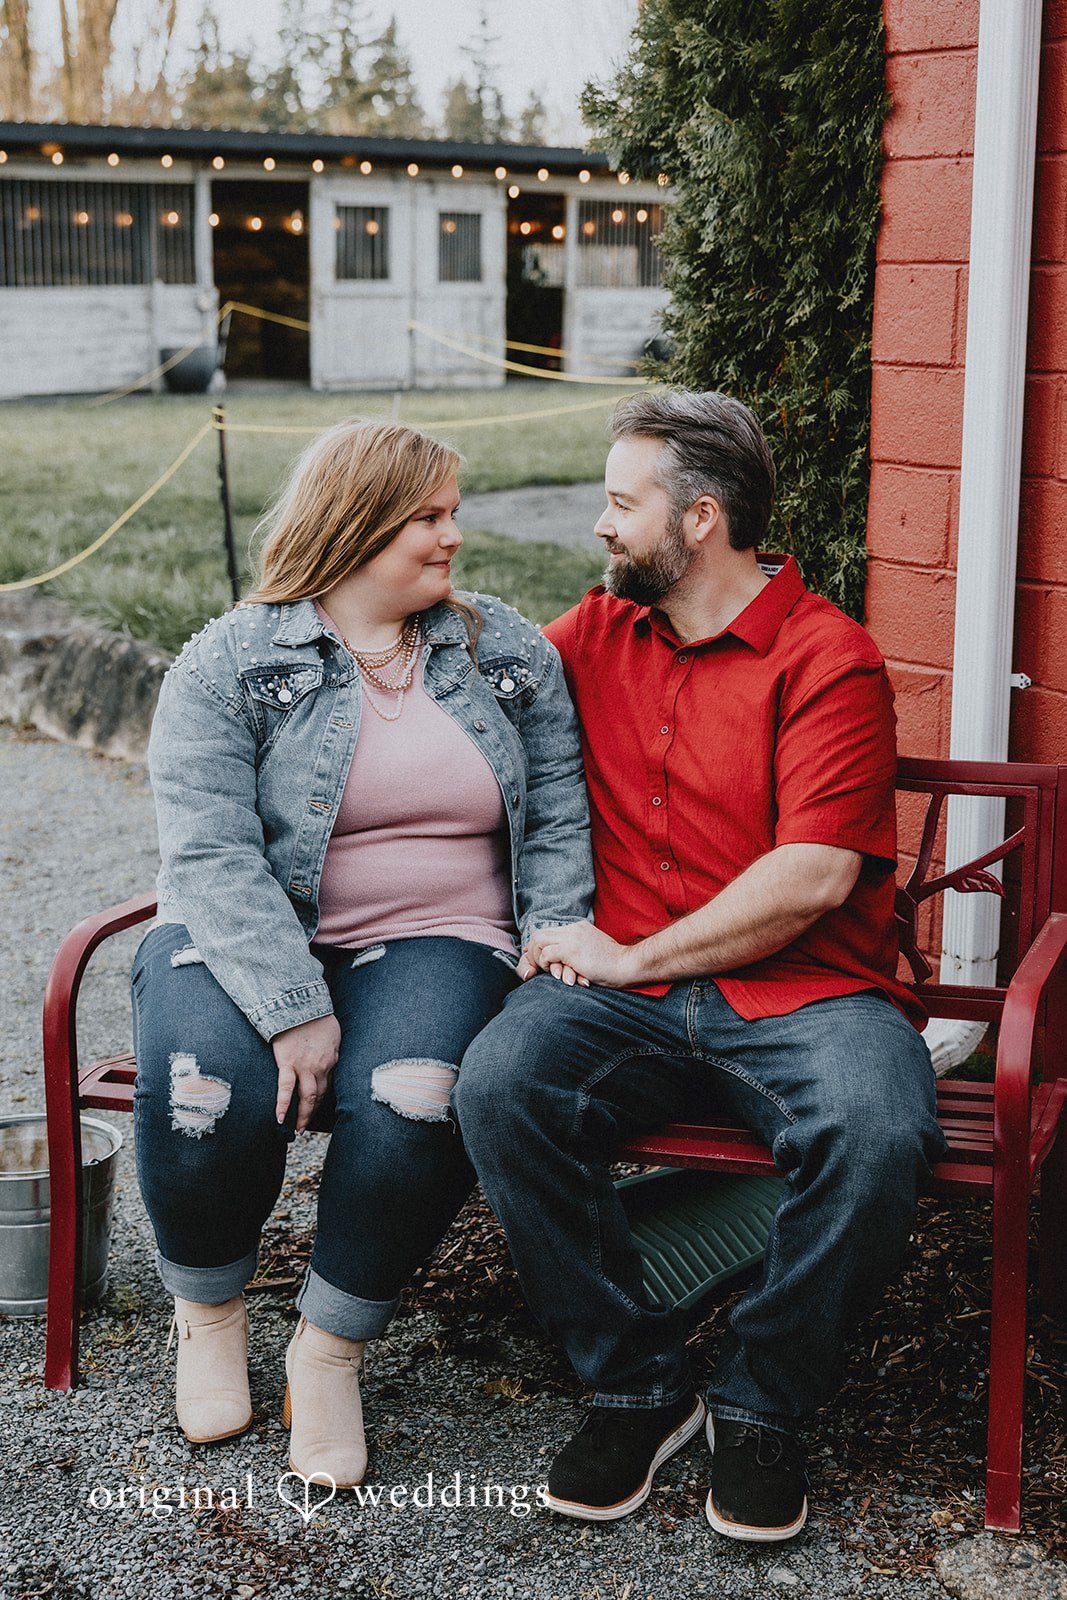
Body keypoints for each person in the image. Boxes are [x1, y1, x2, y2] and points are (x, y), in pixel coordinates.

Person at [454, 389, 948, 1541]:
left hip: (808, 995)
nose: (600, 526)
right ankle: (634, 1381)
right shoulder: (593, 634)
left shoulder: (827, 659)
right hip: (624, 1003)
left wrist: (632, 955)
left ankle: (763, 1398)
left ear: (700, 521)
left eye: (621, 504)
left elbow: (813, 875)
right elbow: (451, 684)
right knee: (499, 1083)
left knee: (876, 1129)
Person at [131, 418, 594, 1488]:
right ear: (356, 523)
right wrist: (295, 1005)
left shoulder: (504, 654)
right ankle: (206, 1315)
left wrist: (554, 927)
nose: (452, 538)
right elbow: (205, 849)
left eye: (451, 513)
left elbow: (562, 811)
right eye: (427, 518)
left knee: (419, 1094)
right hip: (246, 932)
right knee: (207, 1089)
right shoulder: (229, 663)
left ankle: (327, 1345)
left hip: (440, 934)